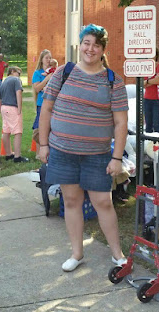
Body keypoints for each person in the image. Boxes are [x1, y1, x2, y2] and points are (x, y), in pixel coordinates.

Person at [39, 23, 128, 272]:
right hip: (62, 151)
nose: (90, 49)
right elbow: (46, 109)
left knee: (104, 202)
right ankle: (77, 254)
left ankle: (117, 255)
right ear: (81, 45)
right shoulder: (63, 73)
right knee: (71, 200)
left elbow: (121, 123)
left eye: (96, 45)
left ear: (102, 50)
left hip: (97, 156)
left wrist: (117, 157)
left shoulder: (113, 81)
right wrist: (43, 144)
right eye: (87, 43)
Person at [0, 66, 29, 163]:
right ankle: (17, 156)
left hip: (4, 107)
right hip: (13, 107)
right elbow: (18, 93)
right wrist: (19, 108)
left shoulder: (3, 82)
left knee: (6, 131)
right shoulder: (16, 80)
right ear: (13, 71)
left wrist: (0, 110)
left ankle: (8, 154)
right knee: (17, 132)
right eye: (18, 73)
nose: (19, 75)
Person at [32, 50, 54, 159]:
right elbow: (36, 88)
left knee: (50, 127)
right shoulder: (38, 73)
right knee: (40, 128)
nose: (49, 60)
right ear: (41, 59)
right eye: (46, 58)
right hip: (42, 103)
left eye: (50, 58)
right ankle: (38, 152)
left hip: (53, 103)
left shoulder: (53, 72)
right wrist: (46, 79)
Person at [143, 48, 159, 133]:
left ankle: (158, 144)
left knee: (156, 123)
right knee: (148, 124)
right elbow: (142, 83)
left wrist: (148, 81)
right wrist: (154, 79)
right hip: (147, 99)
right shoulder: (144, 67)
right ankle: (148, 144)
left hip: (157, 99)